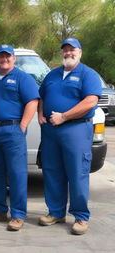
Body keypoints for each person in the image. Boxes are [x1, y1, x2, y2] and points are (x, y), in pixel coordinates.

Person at [38, 38, 102, 235]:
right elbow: (42, 96)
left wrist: (64, 116)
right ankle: (56, 212)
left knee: (77, 173)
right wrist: (41, 113)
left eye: (72, 50)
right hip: (51, 131)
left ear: (80, 53)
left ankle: (81, 217)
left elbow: (90, 101)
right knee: (52, 171)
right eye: (65, 50)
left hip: (75, 129)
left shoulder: (87, 74)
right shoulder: (52, 75)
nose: (69, 53)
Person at [0, 45, 39, 231]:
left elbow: (32, 102)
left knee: (16, 174)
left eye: (8, 56)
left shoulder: (23, 78)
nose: (4, 59)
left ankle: (18, 214)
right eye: (1, 56)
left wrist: (22, 126)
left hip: (13, 131)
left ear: (14, 59)